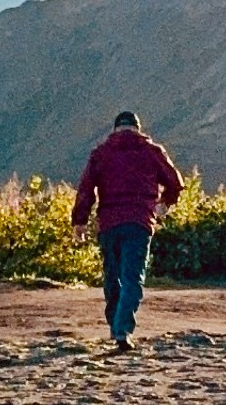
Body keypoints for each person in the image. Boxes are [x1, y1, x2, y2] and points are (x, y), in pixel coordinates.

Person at [71, 109, 184, 350]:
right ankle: (122, 330)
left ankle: (116, 326)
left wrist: (79, 222)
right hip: (139, 222)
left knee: (112, 277)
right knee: (133, 277)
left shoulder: (100, 154)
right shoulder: (152, 151)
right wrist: (164, 204)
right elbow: (176, 183)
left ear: (115, 129)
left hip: (109, 223)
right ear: (137, 128)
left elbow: (86, 189)